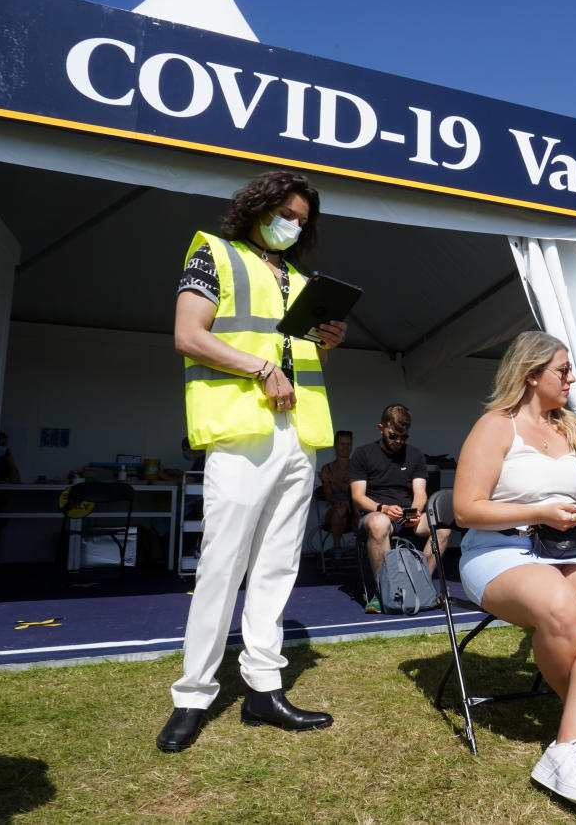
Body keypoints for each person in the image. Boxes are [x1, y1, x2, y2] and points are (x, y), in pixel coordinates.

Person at [158, 170, 347, 753]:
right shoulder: (212, 254)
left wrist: (327, 338)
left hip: (299, 434)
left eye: (301, 220)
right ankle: (193, 694)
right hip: (242, 431)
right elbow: (189, 335)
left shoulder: (299, 277)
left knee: (277, 566)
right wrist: (262, 369)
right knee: (223, 563)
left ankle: (264, 688)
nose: (292, 225)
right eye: (285, 213)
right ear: (257, 208)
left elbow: (292, 348)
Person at [454, 331, 576, 813]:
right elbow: (464, 510)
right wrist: (538, 513)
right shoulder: (496, 426)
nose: (571, 378)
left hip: (567, 546)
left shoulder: (573, 428)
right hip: (500, 550)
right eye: (563, 370)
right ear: (531, 375)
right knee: (560, 604)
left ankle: (568, 743)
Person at [349, 405, 450, 611]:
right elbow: (358, 496)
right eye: (393, 436)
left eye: (403, 437)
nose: (398, 442)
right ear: (381, 428)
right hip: (376, 514)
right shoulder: (363, 454)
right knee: (379, 522)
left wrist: (413, 512)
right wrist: (382, 508)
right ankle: (383, 592)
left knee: (442, 527)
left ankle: (422, 585)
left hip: (405, 515)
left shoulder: (415, 455)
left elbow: (420, 493)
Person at [317, 430, 354, 556]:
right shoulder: (327, 468)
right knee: (340, 509)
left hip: (355, 509)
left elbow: (352, 491)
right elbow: (328, 495)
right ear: (335, 446)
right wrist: (339, 502)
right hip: (335, 508)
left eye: (348, 444)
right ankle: (338, 547)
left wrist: (333, 479)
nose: (345, 448)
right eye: (342, 444)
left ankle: (360, 546)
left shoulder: (356, 466)